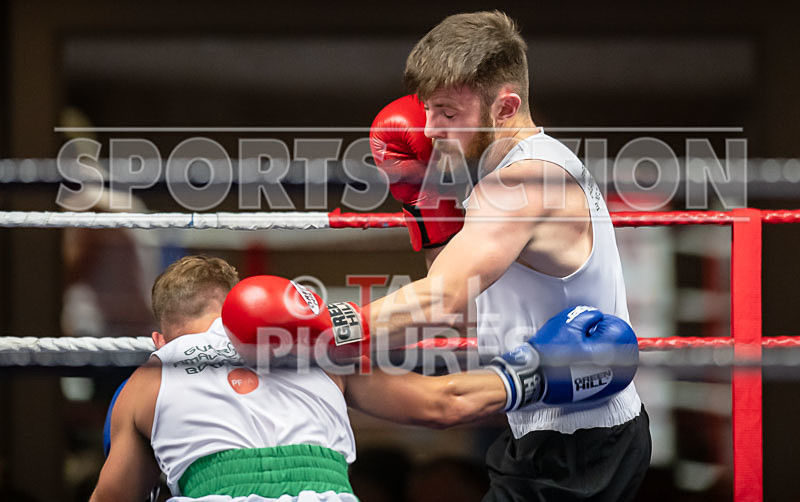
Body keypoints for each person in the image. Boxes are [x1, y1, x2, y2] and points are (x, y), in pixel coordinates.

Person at [366, 11, 651, 502]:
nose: (429, 130)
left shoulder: (520, 183)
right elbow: (472, 311)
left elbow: (442, 301)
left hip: (576, 445)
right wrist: (425, 203)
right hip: (565, 431)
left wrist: (315, 331)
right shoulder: (526, 171)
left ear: (505, 106)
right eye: (427, 110)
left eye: (448, 113)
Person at [92, 256, 638, 502]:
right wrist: (546, 370)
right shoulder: (321, 351)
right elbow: (445, 404)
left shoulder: (149, 379)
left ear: (159, 339)